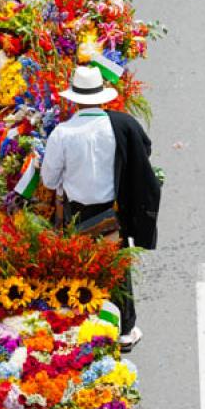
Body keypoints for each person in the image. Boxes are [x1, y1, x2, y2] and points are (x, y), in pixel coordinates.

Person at [40, 65, 161, 352]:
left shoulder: (62, 133)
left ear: (74, 99)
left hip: (77, 213)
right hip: (111, 212)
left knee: (77, 268)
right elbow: (144, 151)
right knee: (117, 269)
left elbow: (49, 178)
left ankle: (80, 323)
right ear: (102, 97)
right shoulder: (120, 125)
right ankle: (125, 331)